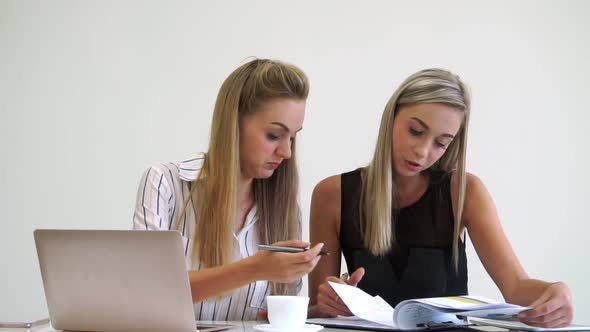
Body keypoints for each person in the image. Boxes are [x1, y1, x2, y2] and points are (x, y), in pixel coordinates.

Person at [308, 68, 574, 328]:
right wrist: (329, 303)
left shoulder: (465, 191)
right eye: (415, 130)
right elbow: (317, 307)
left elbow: (515, 287)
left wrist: (554, 292)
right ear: (391, 117)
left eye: (441, 142)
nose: (423, 151)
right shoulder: (332, 195)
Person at [133, 58, 324, 321]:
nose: (286, 152)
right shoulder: (165, 184)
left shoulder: (285, 211)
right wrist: (255, 268)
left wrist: (323, 309)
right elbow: (147, 291)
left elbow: (275, 318)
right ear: (233, 124)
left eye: (292, 136)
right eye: (273, 135)